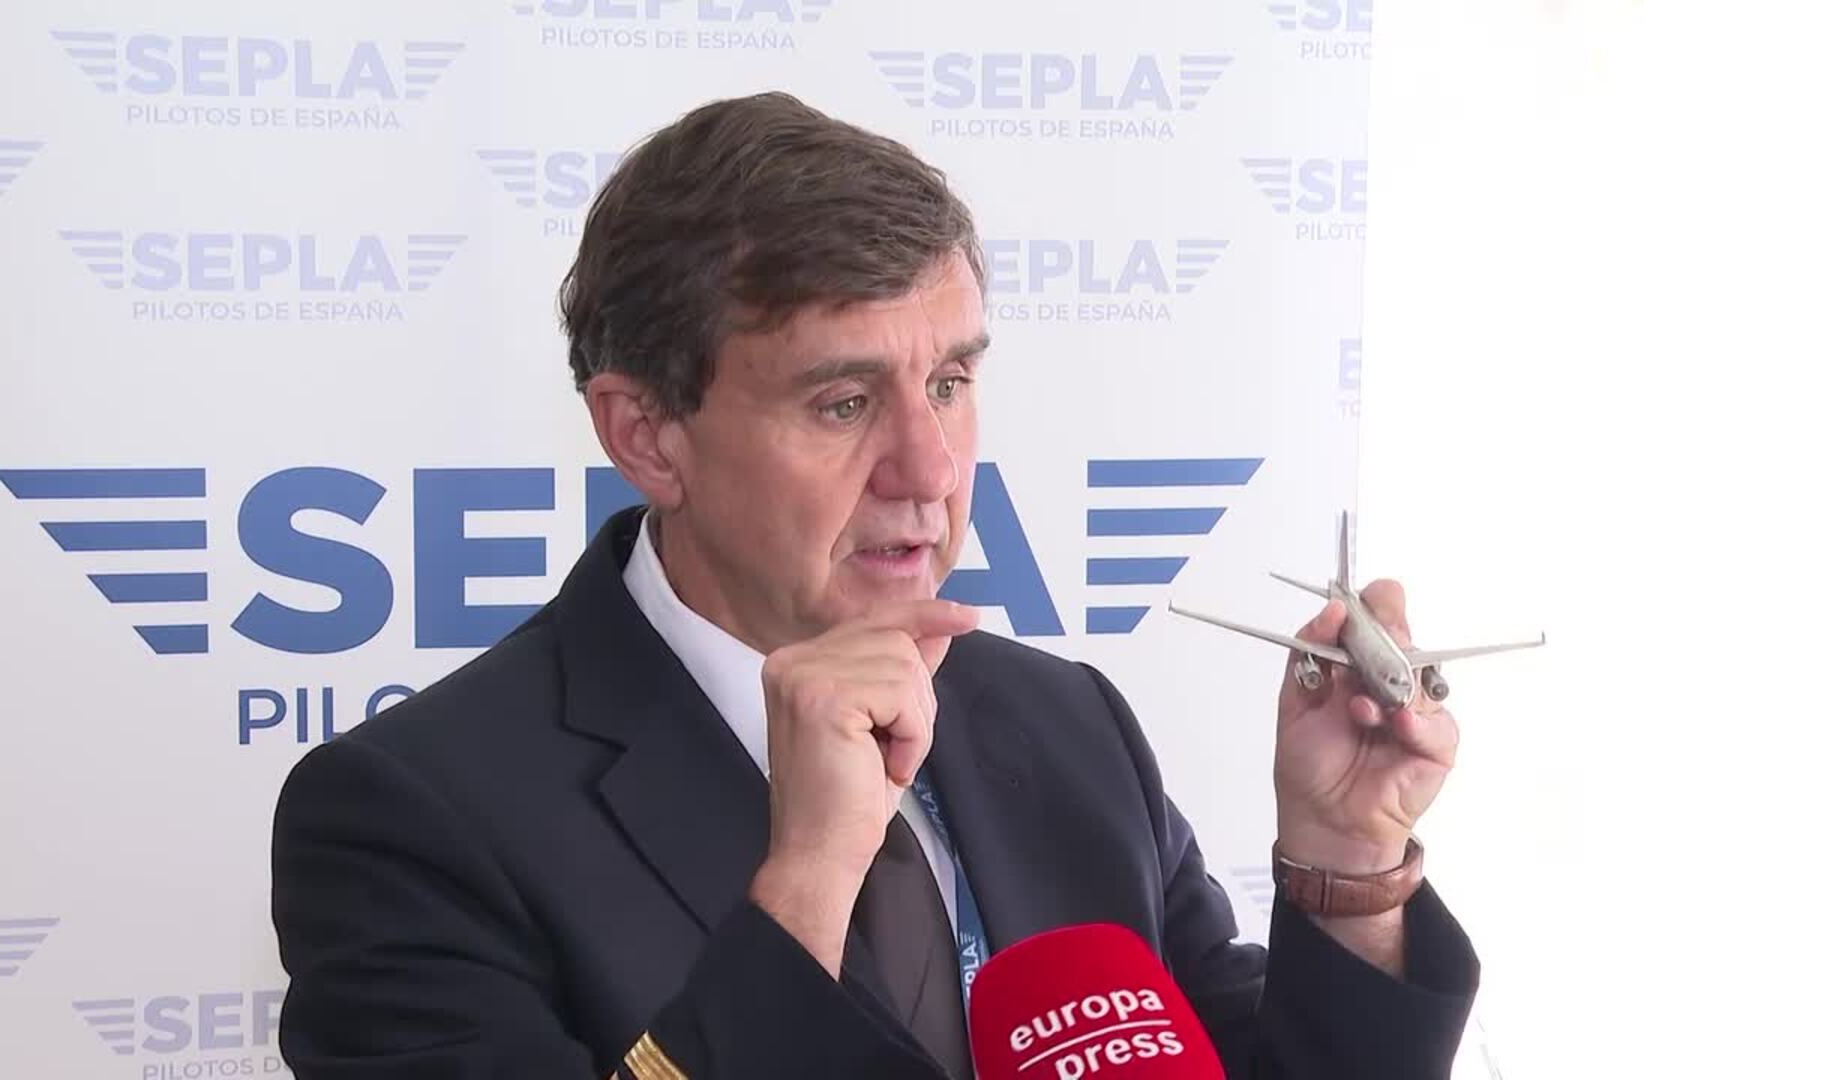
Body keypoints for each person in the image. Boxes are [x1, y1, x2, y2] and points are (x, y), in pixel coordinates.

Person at [271, 92, 1478, 1079]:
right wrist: (806, 881)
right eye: (843, 403)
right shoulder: (409, 822)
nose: (931, 469)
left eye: (949, 383)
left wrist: (1346, 870)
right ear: (647, 437)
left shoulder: (1067, 724)